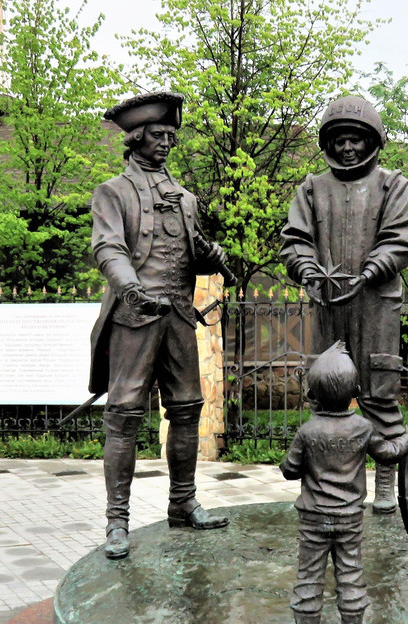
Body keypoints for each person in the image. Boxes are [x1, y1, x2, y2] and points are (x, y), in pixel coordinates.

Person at [89, 91, 232, 560]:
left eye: (172, 135)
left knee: (188, 407)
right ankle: (117, 521)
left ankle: (183, 502)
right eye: (158, 135)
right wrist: (130, 288)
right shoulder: (113, 192)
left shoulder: (186, 199)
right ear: (135, 139)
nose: (167, 142)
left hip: (177, 317)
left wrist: (212, 258)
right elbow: (108, 249)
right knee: (125, 413)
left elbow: (189, 251)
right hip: (135, 316)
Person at [280, 95, 408, 515]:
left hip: (375, 306)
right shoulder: (311, 188)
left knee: (380, 395)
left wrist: (368, 274)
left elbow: (401, 238)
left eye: (355, 140)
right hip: (327, 306)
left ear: (371, 141)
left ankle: (385, 486)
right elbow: (295, 240)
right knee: (324, 396)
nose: (347, 148)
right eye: (339, 140)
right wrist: (307, 270)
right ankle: (321, 483)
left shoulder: (392, 185)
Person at [280, 342, 408, 624]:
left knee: (309, 574)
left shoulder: (307, 431)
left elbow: (289, 471)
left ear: (312, 395)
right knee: (350, 571)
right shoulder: (363, 427)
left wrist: (297, 465)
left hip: (313, 519)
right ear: (355, 391)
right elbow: (388, 452)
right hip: (349, 519)